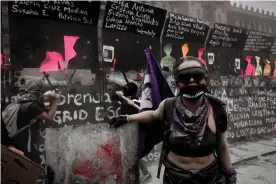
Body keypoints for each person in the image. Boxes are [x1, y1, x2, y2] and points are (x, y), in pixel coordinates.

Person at [109, 56, 237, 184]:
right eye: (185, 76)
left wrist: (229, 174)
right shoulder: (168, 105)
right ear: (177, 83)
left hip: (210, 177)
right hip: (175, 177)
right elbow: (153, 115)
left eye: (197, 74)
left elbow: (222, 146)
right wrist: (127, 118)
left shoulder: (216, 109)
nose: (192, 80)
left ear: (206, 79)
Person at [2, 79, 60, 154]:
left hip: (13, 137)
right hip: (21, 140)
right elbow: (49, 118)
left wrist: (46, 102)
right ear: (38, 91)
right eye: (41, 91)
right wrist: (55, 101)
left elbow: (42, 110)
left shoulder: (21, 100)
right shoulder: (32, 106)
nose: (43, 93)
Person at [114, 82, 152, 183]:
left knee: (134, 154)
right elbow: (115, 96)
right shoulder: (125, 98)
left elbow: (142, 112)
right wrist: (119, 94)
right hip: (126, 130)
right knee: (129, 153)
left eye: (126, 89)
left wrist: (132, 103)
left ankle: (144, 174)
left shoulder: (136, 101)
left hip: (134, 132)